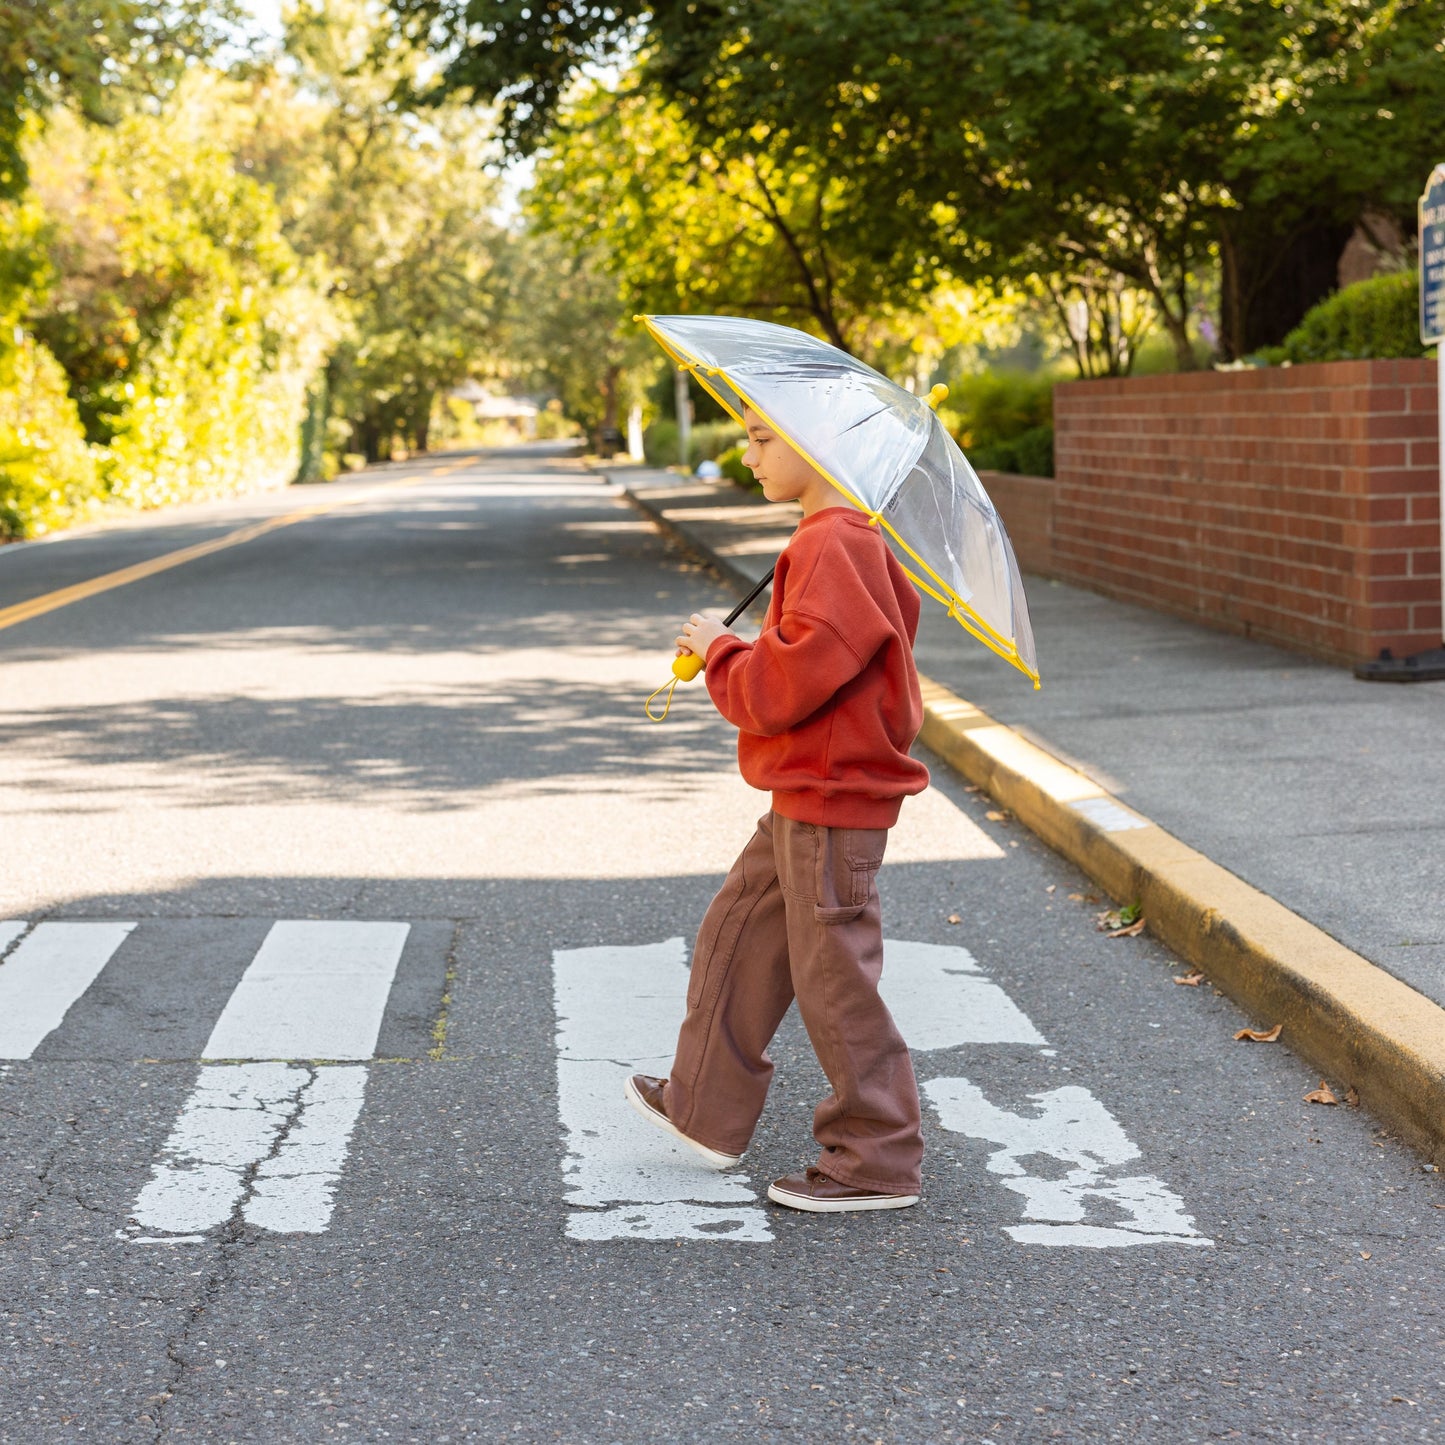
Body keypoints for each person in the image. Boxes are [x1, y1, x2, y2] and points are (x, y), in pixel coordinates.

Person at [624, 405, 930, 1212]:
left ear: (819, 444)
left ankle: (877, 1155)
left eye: (762, 438)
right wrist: (745, 648)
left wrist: (724, 651)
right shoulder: (829, 539)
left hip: (830, 801)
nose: (747, 451)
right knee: (740, 934)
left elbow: (782, 687)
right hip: (805, 793)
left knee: (834, 980)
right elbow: (817, 664)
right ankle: (703, 1106)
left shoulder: (834, 542)